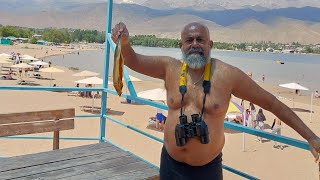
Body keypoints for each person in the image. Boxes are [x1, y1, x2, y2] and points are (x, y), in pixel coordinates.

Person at [112, 22, 320, 180]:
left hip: (208, 169)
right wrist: (124, 43)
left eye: (200, 40)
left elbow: (272, 103)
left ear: (210, 44)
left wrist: (311, 137)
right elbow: (133, 60)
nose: (195, 44)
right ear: (181, 45)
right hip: (170, 164)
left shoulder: (228, 75)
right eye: (189, 40)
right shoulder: (169, 68)